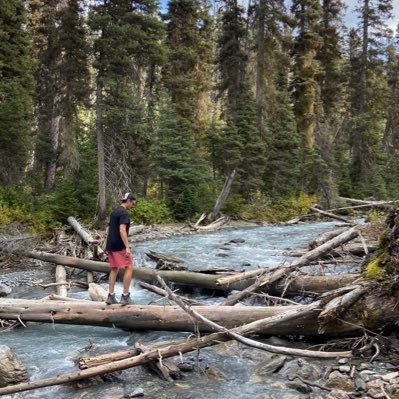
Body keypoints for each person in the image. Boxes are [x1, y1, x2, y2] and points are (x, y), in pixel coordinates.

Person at [105, 192, 136, 305]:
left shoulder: (115, 211)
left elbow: (110, 228)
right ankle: (125, 296)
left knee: (114, 269)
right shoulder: (124, 213)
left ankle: (111, 296)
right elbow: (122, 230)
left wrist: (106, 244)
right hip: (119, 245)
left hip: (111, 244)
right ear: (129, 201)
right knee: (128, 267)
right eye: (133, 204)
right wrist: (127, 247)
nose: (133, 206)